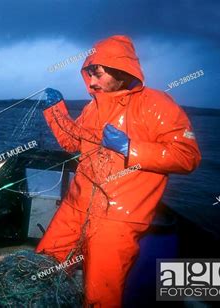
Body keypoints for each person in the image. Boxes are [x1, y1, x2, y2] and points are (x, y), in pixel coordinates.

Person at [36, 35, 201, 307]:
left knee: (100, 294)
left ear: (120, 70)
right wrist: (55, 113)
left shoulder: (157, 104)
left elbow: (188, 156)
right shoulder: (92, 108)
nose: (91, 82)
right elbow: (73, 143)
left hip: (118, 220)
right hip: (75, 208)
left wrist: (130, 148)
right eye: (88, 74)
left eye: (97, 74)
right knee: (42, 270)